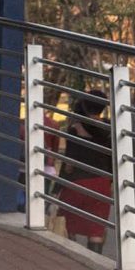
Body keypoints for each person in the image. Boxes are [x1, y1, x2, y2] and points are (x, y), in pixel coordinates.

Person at [53, 89, 113, 250]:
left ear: (84, 105)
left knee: (68, 225)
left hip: (77, 184)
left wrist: (57, 188)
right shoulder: (110, 129)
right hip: (102, 184)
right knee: (96, 229)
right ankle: (95, 261)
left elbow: (69, 164)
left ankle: (73, 260)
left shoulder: (76, 128)